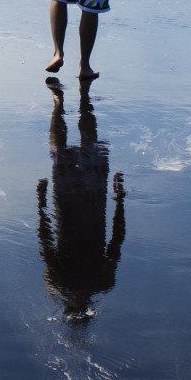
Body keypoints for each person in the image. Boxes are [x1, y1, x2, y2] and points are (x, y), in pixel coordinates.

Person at [36, 79, 125, 326]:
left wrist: (119, 200)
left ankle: (67, 104)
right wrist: (40, 202)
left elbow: (117, 240)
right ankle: (67, 104)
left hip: (86, 201)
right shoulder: (63, 284)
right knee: (65, 150)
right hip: (76, 202)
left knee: (80, 146)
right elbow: (45, 241)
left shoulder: (97, 283)